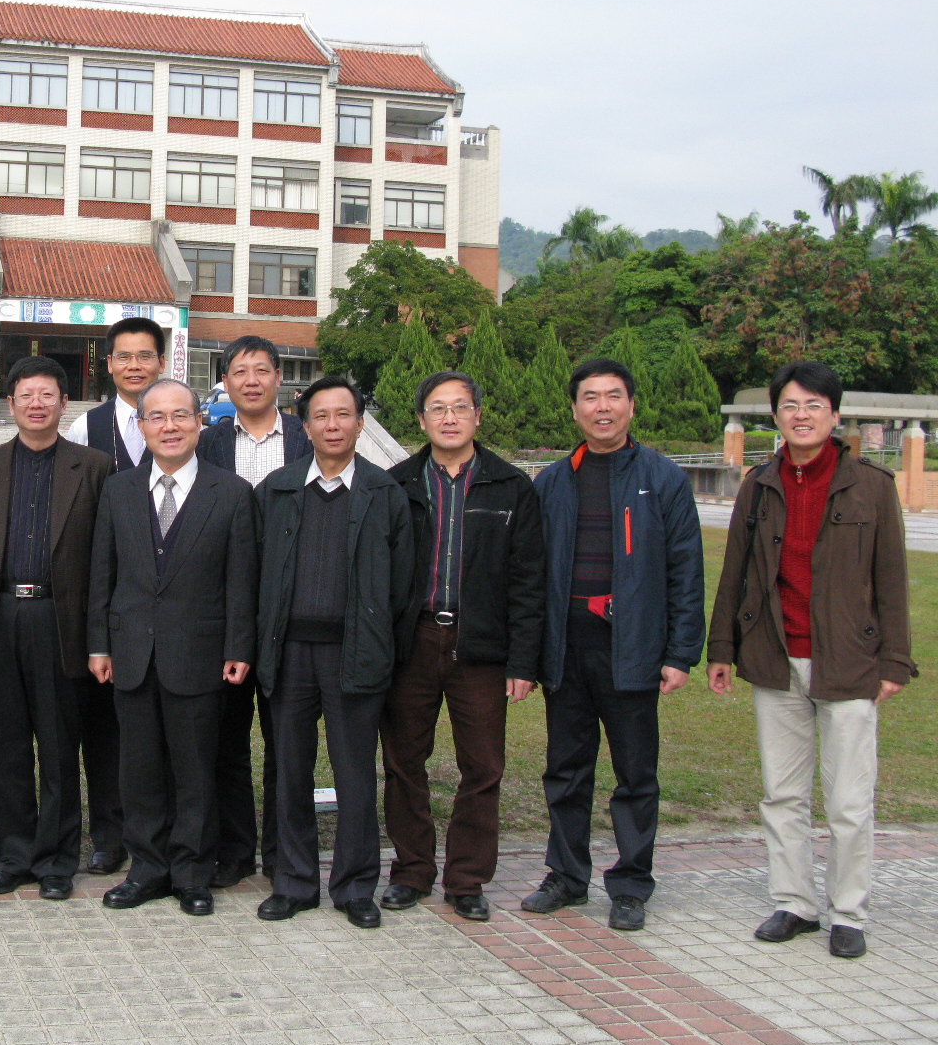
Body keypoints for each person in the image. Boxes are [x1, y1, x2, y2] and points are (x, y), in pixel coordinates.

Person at [708, 362, 912, 959]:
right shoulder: (760, 483)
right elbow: (735, 573)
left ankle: (849, 913)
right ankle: (793, 901)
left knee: (849, 800)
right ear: (776, 414)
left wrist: (895, 661)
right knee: (783, 793)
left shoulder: (871, 486)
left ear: (834, 414)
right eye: (791, 405)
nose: (801, 415)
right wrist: (722, 648)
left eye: (814, 405)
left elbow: (892, 579)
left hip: (848, 663)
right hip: (775, 657)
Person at [522, 358, 704, 931]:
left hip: (633, 647)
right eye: (590, 398)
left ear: (630, 405)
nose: (602, 407)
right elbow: (529, 576)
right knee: (567, 769)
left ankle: (629, 883)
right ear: (574, 408)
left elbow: (685, 571)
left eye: (613, 396)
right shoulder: (552, 482)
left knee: (635, 773)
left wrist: (679, 653)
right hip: (567, 645)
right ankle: (567, 875)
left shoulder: (663, 478)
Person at [87, 379, 258, 916]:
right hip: (132, 654)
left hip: (200, 655)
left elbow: (241, 581)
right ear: (141, 427)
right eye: (156, 417)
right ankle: (148, 869)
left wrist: (238, 645)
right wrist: (99, 644)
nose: (169, 426)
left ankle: (191, 872)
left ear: (199, 423)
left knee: (195, 770)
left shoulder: (230, 493)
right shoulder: (117, 491)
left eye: (180, 416)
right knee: (138, 771)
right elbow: (102, 576)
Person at [382, 371, 545, 921]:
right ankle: (411, 871)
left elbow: (528, 581)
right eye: (437, 408)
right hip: (414, 642)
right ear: (422, 419)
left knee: (483, 767)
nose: (448, 417)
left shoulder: (511, 486)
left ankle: (468, 878)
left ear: (478, 415)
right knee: (405, 761)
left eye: (459, 407)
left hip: (481, 645)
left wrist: (524, 660)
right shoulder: (397, 483)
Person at [254, 376, 413, 929]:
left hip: (356, 655)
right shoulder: (274, 490)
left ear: (360, 423)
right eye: (320, 416)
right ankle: (294, 882)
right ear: (305, 425)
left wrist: (377, 642)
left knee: (354, 775)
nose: (332, 425)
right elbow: (255, 577)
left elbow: (401, 588)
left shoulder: (384, 492)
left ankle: (354, 886)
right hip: (289, 654)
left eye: (343, 415)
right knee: (289, 772)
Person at [0, 357, 114, 900]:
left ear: (63, 403)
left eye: (47, 394)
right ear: (10, 404)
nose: (36, 404)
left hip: (60, 621)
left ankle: (56, 861)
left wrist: (100, 637)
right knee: (5, 747)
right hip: (0, 618)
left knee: (57, 746)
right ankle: (11, 858)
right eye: (25, 395)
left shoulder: (94, 468)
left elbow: (104, 561)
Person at [196, 335, 313, 887]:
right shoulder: (206, 442)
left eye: (261, 370)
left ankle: (286, 859)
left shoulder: (309, 437)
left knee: (287, 744)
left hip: (293, 612)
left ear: (279, 379)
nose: (251, 380)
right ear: (225, 381)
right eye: (239, 371)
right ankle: (235, 853)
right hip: (223, 614)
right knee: (226, 742)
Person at [66, 316, 166, 874]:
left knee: (162, 723)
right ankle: (109, 835)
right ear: (108, 364)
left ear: (160, 361)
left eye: (144, 356)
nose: (134, 366)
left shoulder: (182, 420)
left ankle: (162, 831)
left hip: (171, 603)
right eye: (123, 356)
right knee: (104, 727)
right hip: (112, 600)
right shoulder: (88, 427)